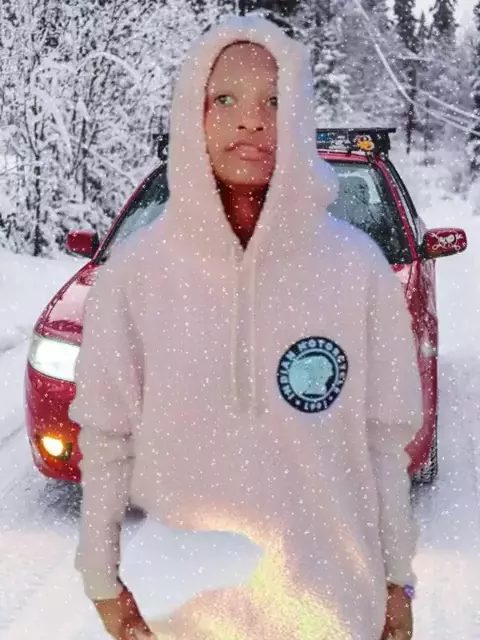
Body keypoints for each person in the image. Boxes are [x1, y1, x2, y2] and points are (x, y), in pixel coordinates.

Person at [69, 13, 422, 640]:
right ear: (193, 115)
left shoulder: (357, 270)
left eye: (274, 101)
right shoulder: (136, 273)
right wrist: (101, 576)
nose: (251, 120)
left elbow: (382, 445)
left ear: (300, 117)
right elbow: (106, 439)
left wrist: (398, 580)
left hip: (331, 610)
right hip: (182, 613)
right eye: (225, 99)